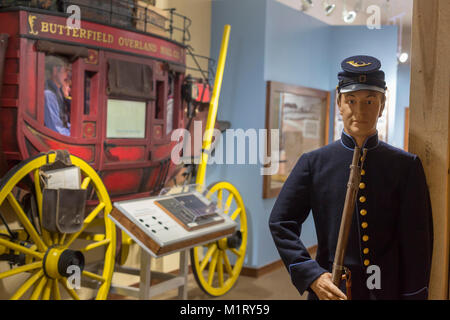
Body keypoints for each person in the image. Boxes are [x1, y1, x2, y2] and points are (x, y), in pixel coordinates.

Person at [269, 55, 433, 300]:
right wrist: (311, 274)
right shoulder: (314, 163)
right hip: (332, 290)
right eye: (351, 100)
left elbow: (417, 241)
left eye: (369, 101)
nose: (359, 111)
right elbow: (281, 222)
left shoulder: (405, 166)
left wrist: (414, 295)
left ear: (382, 104)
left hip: (386, 290)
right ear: (339, 102)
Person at [44, 55, 71, 136]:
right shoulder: (48, 94)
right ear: (55, 70)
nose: (67, 75)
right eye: (65, 70)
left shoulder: (58, 93)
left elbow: (64, 124)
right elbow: (56, 129)